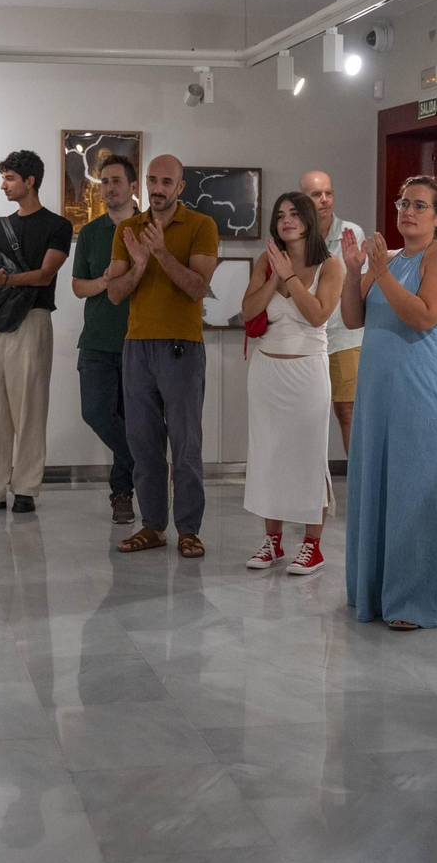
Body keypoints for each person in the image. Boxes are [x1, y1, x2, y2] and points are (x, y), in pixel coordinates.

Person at [338, 175, 437, 629]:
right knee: (380, 483)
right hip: (378, 389)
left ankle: (416, 599)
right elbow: (352, 316)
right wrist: (352, 270)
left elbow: (422, 317)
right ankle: (378, 589)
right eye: (404, 203)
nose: (408, 211)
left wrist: (379, 273)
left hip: (420, 388)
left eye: (420, 205)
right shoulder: (391, 258)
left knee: (416, 487)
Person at [104, 154, 219, 559]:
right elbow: (116, 293)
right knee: (143, 444)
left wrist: (162, 255)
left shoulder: (202, 226)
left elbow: (198, 287)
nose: (157, 188)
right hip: (137, 347)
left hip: (182, 346)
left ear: (180, 187)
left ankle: (189, 529)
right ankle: (153, 526)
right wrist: (137, 265)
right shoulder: (129, 229)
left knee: (186, 444)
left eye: (166, 181)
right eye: (152, 180)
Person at [0, 150, 72, 515]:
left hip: (34, 318)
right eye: (3, 177)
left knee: (29, 405)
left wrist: (2, 279)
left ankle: (25, 488)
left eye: (9, 178)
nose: (3, 185)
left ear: (29, 181)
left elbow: (45, 274)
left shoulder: (58, 225)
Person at [241, 191, 346, 574]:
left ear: (308, 220)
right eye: (280, 215)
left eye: (294, 214)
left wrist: (289, 277)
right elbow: (248, 311)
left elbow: (317, 315)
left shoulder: (330, 266)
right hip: (267, 369)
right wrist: (273, 276)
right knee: (268, 454)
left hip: (307, 371)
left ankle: (312, 545)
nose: (286, 220)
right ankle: (272, 542)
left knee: (308, 455)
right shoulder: (263, 262)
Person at [70, 153, 139, 525]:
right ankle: (148, 461)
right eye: (105, 182)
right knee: (96, 412)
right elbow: (78, 285)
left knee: (132, 419)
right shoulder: (92, 233)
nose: (110, 188)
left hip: (139, 341)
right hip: (96, 341)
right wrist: (106, 281)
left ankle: (122, 494)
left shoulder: (147, 229)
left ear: (132, 187)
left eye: (116, 181)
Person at [300, 170, 365, 452]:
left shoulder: (351, 233)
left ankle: (356, 486)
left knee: (348, 413)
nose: (325, 200)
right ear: (303, 199)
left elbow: (361, 284)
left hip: (345, 338)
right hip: (305, 337)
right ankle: (310, 487)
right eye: (316, 195)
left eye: (329, 193)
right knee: (306, 417)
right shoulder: (295, 234)